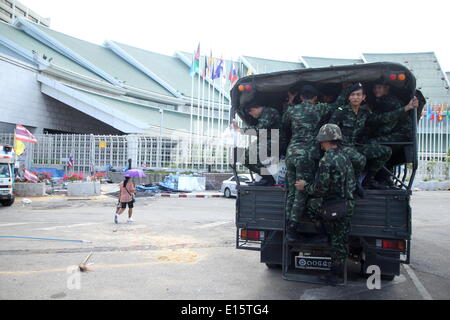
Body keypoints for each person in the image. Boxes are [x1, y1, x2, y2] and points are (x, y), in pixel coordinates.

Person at [281, 84, 346, 242]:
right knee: (301, 192)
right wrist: (345, 89)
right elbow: (337, 105)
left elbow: (283, 124)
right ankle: (292, 228)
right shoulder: (319, 108)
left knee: (290, 192)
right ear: (315, 98)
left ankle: (287, 225)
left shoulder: (292, 110)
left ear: (301, 97)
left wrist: (291, 102)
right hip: (306, 155)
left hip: (291, 153)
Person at [295, 123, 356, 286]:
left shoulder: (326, 160)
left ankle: (334, 275)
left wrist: (304, 186)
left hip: (335, 206)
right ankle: (336, 267)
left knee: (336, 240)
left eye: (321, 141)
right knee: (341, 239)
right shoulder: (344, 157)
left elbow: (320, 189)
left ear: (325, 141)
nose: (321, 144)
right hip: (347, 204)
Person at [329, 83, 418, 191]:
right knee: (360, 159)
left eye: (358, 95)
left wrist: (406, 108)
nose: (355, 97)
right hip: (342, 147)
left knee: (385, 151)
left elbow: (382, 119)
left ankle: (368, 181)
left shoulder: (365, 113)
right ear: (349, 97)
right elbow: (331, 130)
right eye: (352, 95)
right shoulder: (341, 111)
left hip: (357, 146)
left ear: (363, 97)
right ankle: (354, 183)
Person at [232, 105, 281, 186]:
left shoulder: (269, 112)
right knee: (244, 159)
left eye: (251, 113)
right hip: (265, 139)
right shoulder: (264, 114)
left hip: (275, 141)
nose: (253, 116)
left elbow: (259, 130)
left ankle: (269, 179)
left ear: (254, 109)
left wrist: (240, 130)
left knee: (252, 158)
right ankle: (267, 178)